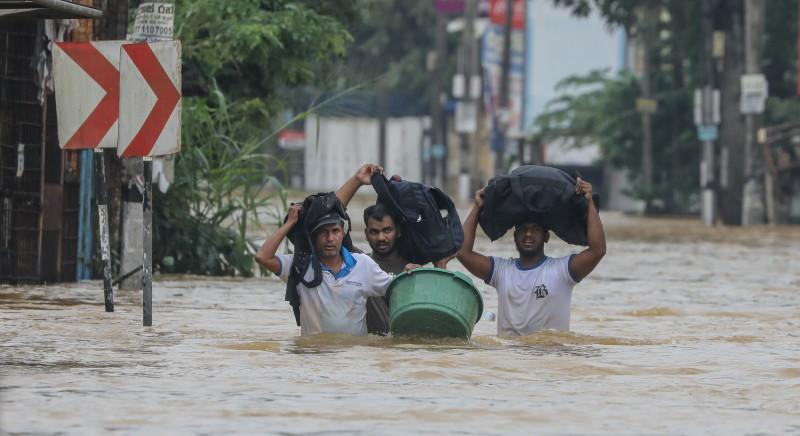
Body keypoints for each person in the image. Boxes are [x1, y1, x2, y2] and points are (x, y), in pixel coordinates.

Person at [456, 177, 606, 336]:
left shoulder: (563, 271)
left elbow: (598, 250)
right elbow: (462, 252)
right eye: (523, 229)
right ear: (514, 236)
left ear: (546, 237)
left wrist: (589, 203)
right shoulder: (501, 271)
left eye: (535, 229)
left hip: (550, 355)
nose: (528, 234)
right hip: (510, 356)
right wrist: (477, 207)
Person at [255, 203, 414, 336]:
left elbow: (397, 288)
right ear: (314, 237)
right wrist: (290, 222)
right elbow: (263, 257)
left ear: (342, 234)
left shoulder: (363, 264)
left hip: (352, 358)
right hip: (313, 356)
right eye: (323, 232)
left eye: (335, 231)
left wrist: (411, 272)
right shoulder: (300, 265)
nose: (330, 238)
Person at [334, 163, 452, 334]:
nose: (381, 237)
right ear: (366, 234)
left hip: (405, 350)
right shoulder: (358, 263)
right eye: (374, 232)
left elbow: (440, 318)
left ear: (398, 232)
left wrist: (441, 268)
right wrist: (357, 180)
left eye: (387, 230)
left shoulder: (414, 271)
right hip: (369, 352)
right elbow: (329, 214)